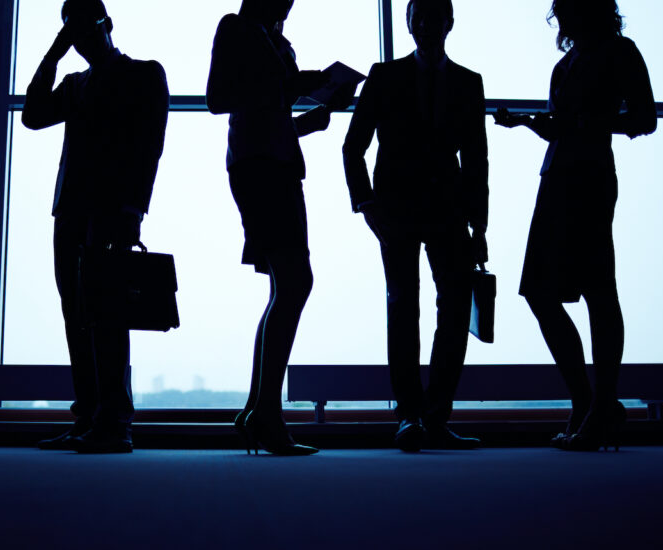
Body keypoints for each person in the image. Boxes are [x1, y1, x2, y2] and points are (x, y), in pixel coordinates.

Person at [494, 0, 656, 451]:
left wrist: (585, 122)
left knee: (598, 289)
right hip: (557, 177)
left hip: (588, 177)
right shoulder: (566, 64)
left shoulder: (619, 52)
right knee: (542, 293)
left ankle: (598, 405)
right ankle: (591, 402)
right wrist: (527, 122)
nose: (562, 17)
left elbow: (645, 119)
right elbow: (561, 128)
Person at [23, 0, 169, 453]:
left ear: (107, 24)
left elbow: (152, 145)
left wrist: (134, 208)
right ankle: (89, 415)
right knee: (77, 314)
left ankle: (115, 419)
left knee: (107, 313)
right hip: (70, 209)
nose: (81, 38)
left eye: (86, 27)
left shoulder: (145, 73)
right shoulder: (73, 84)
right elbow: (32, 115)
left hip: (111, 207)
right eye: (73, 31)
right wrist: (53, 52)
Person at [342, 0, 488, 452]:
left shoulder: (468, 83)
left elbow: (477, 160)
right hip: (398, 214)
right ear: (408, 25)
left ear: (449, 23)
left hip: (447, 213)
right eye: (418, 17)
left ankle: (432, 417)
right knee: (406, 309)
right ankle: (412, 416)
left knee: (447, 309)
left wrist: (479, 227)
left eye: (432, 17)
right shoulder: (384, 76)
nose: (425, 25)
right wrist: (367, 206)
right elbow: (353, 148)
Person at [207, 0, 351, 456]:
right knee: (293, 284)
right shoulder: (237, 28)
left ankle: (258, 410)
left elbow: (270, 113)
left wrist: (310, 114)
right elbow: (218, 99)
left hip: (279, 165)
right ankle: (264, 413)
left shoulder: (275, 38)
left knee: (285, 287)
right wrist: (295, 84)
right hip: (258, 168)